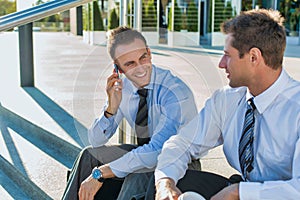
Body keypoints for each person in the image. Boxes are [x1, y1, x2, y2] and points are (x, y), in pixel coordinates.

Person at [154, 9, 300, 200]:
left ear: (254, 57)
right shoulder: (227, 99)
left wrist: (239, 192)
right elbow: (182, 143)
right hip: (243, 187)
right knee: (169, 181)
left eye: (227, 55)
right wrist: (165, 184)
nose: (221, 64)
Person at [62, 26, 201, 200]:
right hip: (144, 152)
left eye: (143, 57)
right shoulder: (123, 88)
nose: (141, 68)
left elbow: (157, 151)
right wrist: (111, 109)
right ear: (117, 68)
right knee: (88, 155)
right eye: (130, 63)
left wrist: (101, 173)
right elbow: (96, 140)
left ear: (149, 53)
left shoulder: (175, 92)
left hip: (181, 162)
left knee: (137, 174)